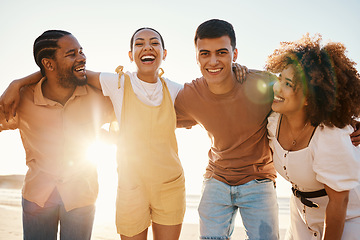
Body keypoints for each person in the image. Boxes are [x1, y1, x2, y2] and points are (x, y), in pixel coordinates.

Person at [0, 30, 114, 239]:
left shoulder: (97, 97)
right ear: (49, 64)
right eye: (71, 54)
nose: (81, 58)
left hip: (81, 197)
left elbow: (132, 115)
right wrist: (18, 84)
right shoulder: (23, 99)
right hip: (37, 198)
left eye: (81, 51)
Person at [175, 19, 279, 239]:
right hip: (217, 179)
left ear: (235, 53)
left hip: (258, 181)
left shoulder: (262, 84)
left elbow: (307, 99)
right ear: (196, 57)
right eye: (205, 54)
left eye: (222, 52)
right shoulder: (190, 95)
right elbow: (152, 116)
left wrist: (351, 121)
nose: (213, 61)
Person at [266, 34, 360, 239]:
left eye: (288, 83)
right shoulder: (273, 121)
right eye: (279, 78)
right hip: (300, 215)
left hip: (349, 218)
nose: (276, 87)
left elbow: (339, 202)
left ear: (309, 97)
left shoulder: (330, 136)